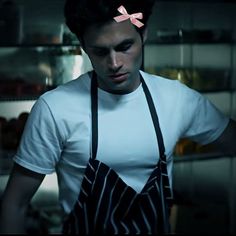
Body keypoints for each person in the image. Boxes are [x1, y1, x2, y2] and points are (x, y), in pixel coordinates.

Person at [1, 0, 236, 234]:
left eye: (124, 47)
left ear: (143, 34)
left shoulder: (177, 99)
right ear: (83, 46)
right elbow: (15, 203)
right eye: (101, 51)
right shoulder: (54, 108)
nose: (114, 64)